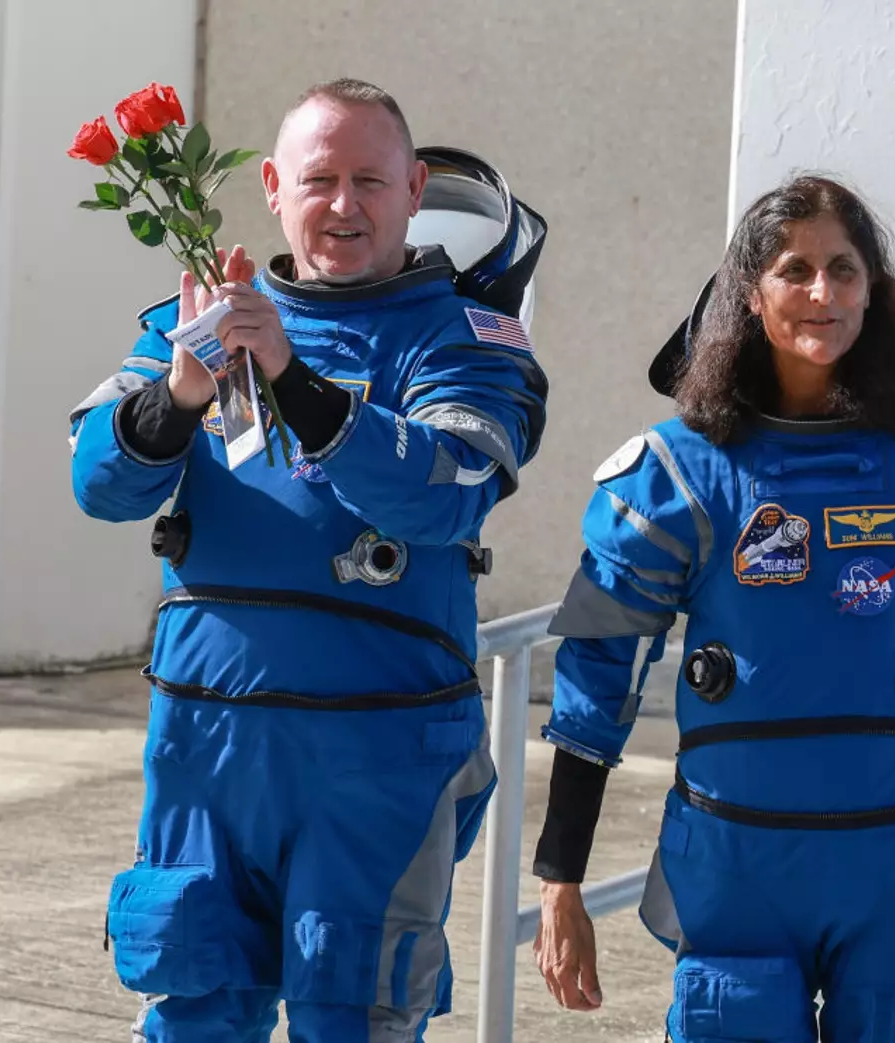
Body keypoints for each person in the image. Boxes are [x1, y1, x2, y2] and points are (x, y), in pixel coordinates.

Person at [530, 174, 895, 1042]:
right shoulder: (677, 472)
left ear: (875, 291)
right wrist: (559, 882)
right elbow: (593, 685)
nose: (822, 293)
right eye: (795, 270)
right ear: (750, 295)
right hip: (736, 877)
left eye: (844, 269)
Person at [68, 79, 548, 1043]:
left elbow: (447, 488)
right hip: (208, 756)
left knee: (353, 1014)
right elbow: (98, 481)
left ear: (415, 189)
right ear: (276, 188)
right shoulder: (194, 321)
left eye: (370, 179)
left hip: (380, 760)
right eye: (319, 178)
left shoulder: (467, 341)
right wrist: (179, 398)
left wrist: (294, 379)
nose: (343, 204)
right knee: (195, 1007)